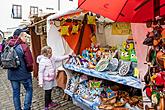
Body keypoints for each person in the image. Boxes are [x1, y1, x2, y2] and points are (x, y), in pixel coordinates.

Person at [7, 28, 33, 110]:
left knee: (15, 93)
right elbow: (29, 63)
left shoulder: (8, 45)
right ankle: (26, 108)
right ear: (20, 36)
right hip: (24, 74)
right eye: (25, 36)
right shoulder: (24, 46)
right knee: (29, 90)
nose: (25, 38)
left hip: (12, 74)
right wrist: (30, 71)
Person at [38, 46, 69, 110]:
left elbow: (59, 58)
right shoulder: (43, 61)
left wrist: (67, 56)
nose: (51, 54)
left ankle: (50, 102)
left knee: (50, 90)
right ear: (44, 54)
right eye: (49, 53)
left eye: (51, 52)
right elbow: (40, 72)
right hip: (46, 79)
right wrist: (40, 82)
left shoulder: (52, 58)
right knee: (47, 92)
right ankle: (46, 106)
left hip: (52, 78)